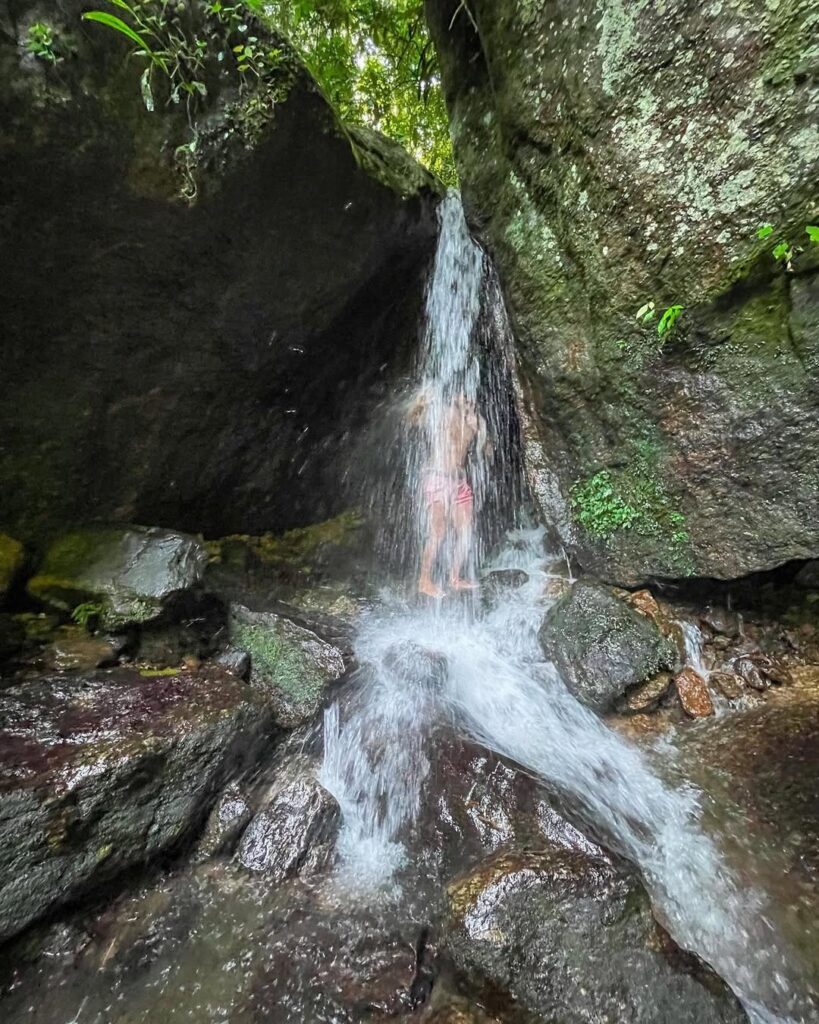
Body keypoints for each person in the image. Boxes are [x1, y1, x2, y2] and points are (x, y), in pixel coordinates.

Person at [408, 389, 490, 598]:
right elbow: (413, 421)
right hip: (437, 479)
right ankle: (424, 580)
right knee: (438, 532)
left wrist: (479, 429)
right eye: (463, 395)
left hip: (460, 483)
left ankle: (455, 577)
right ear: (454, 397)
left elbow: (489, 451)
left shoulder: (475, 420)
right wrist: (420, 404)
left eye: (469, 396)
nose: (467, 398)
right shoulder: (442, 412)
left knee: (466, 531)